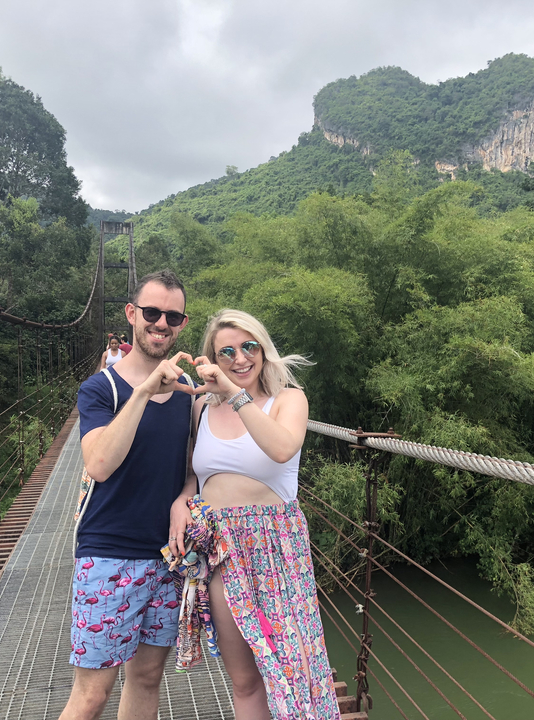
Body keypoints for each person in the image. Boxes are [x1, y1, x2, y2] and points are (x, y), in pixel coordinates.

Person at [168, 309, 341, 720]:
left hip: (276, 548)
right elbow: (196, 472)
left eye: (249, 347)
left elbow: (282, 448)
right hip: (222, 552)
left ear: (263, 350)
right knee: (245, 682)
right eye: (226, 352)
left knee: (294, 674)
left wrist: (233, 392)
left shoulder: (289, 399)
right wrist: (181, 499)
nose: (240, 358)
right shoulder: (201, 410)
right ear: (212, 357)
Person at [60, 270, 198, 720]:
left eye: (172, 316)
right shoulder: (102, 389)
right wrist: (142, 392)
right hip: (109, 553)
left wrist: (185, 497)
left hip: (167, 558)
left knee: (145, 679)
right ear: (131, 314)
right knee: (92, 695)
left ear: (182, 323)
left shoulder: (188, 396)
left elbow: (195, 467)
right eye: (152, 312)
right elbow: (98, 464)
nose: (162, 323)